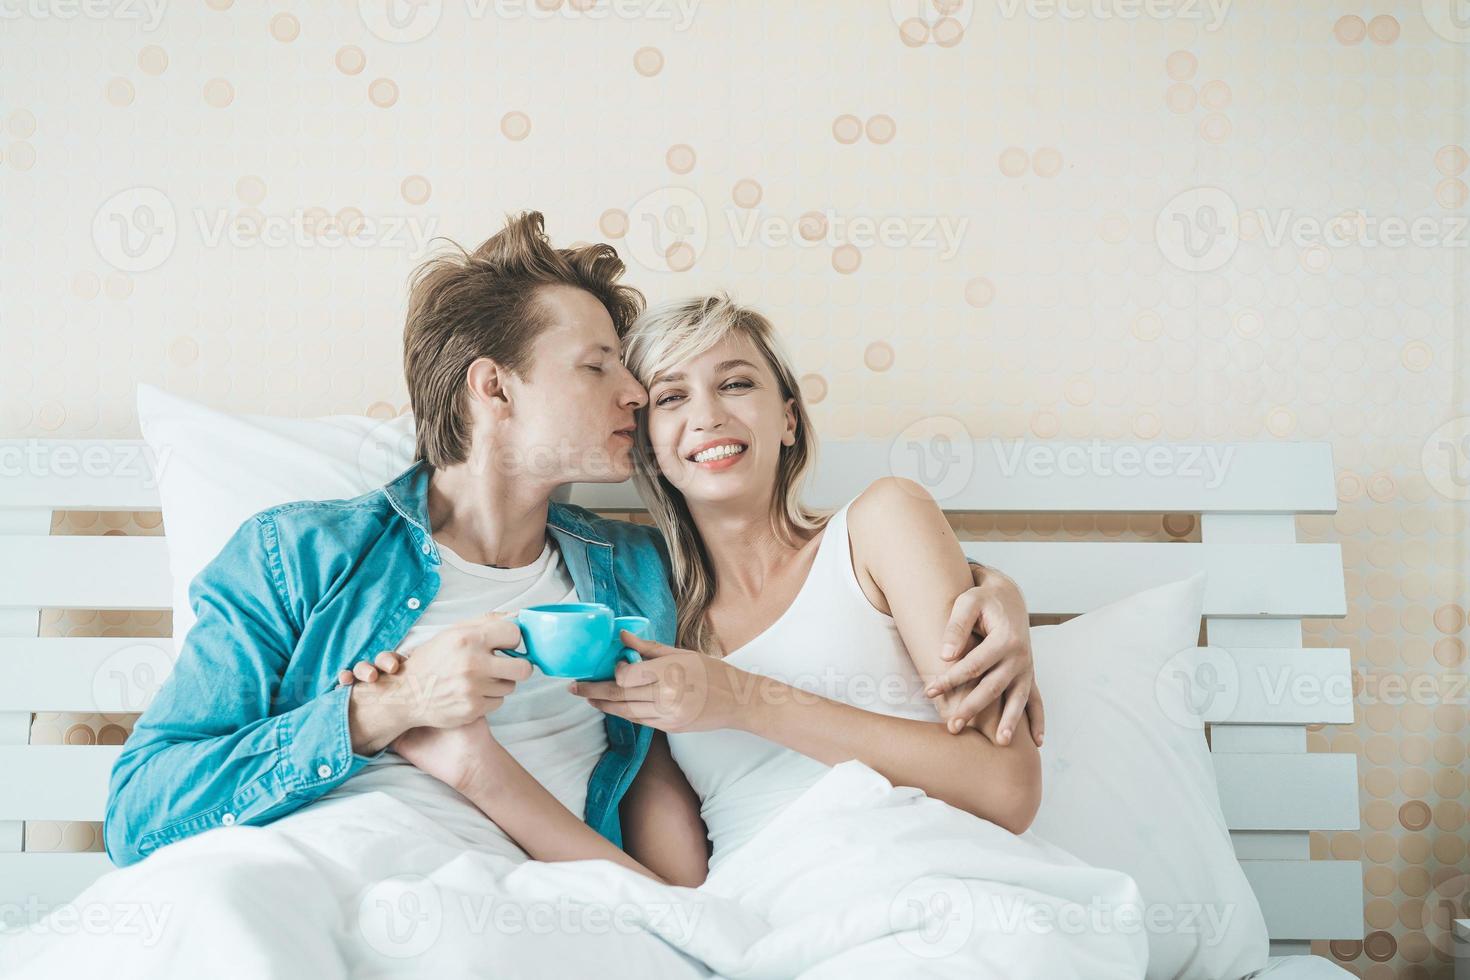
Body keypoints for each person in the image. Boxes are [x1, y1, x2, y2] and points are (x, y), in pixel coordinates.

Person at [104, 211, 1037, 878]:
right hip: (314, 873)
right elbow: (141, 816)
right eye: (606, 371)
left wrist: (991, 589)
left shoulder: (633, 577)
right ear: (494, 390)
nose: (636, 397)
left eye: (647, 381)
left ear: (791, 417)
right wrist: (377, 715)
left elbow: (797, 594)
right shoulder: (300, 556)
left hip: (545, 915)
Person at [345, 292, 1043, 889]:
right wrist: (480, 772)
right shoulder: (650, 613)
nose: (706, 415)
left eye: (736, 384)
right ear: (645, 441)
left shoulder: (880, 524)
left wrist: (739, 698)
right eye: (673, 397)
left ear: (790, 418)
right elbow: (674, 895)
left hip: (935, 878)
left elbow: (1008, 790)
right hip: (771, 927)